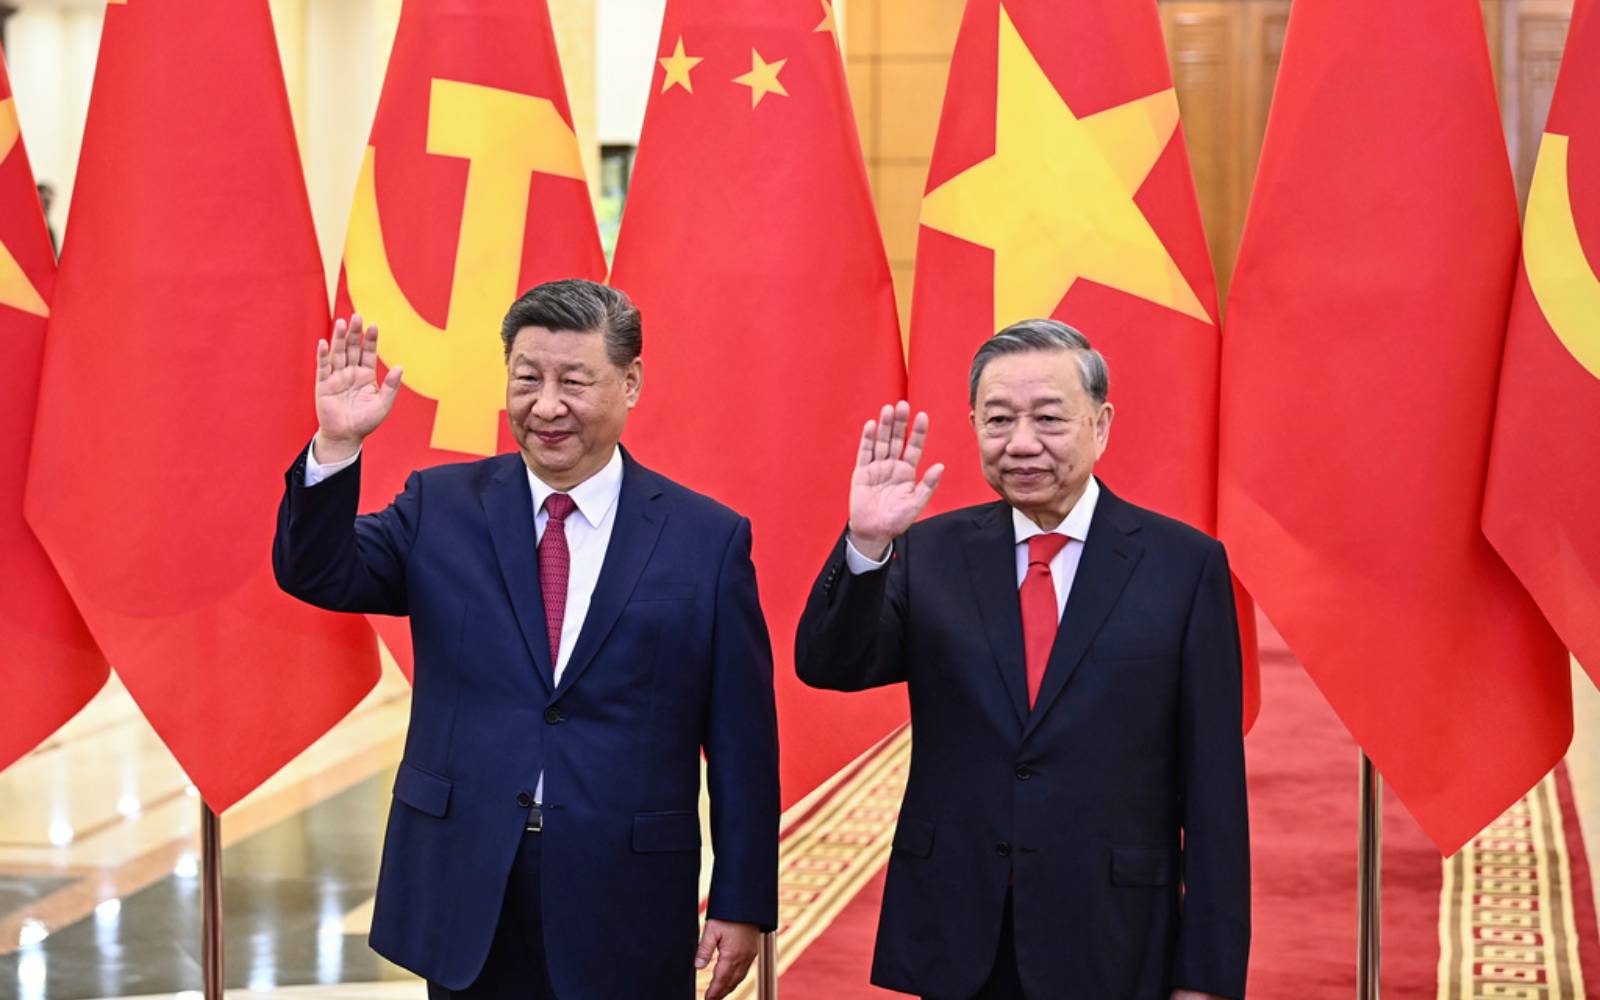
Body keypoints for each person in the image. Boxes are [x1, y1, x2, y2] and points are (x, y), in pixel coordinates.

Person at [273, 279, 779, 1000]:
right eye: (527, 379)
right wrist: (336, 446)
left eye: (573, 382)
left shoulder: (706, 540)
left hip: (626, 892)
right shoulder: (440, 507)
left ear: (631, 382)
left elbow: (742, 743)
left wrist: (741, 899)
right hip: (468, 881)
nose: (546, 407)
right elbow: (317, 572)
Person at [796, 319, 1249, 1000]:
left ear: (1100, 425)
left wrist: (1208, 977)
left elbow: (1214, 787)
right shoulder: (930, 553)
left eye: (1049, 418)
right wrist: (866, 545)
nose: (1022, 443)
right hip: (962, 931)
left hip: (1114, 933)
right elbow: (830, 663)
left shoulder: (1183, 566)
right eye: (999, 419)